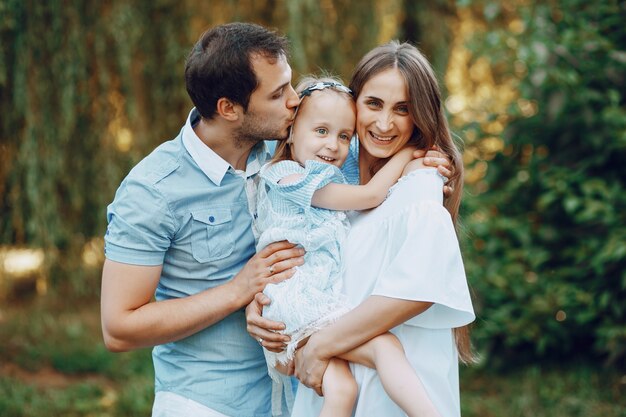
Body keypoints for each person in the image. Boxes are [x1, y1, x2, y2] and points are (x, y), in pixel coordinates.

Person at [246, 41, 475, 417]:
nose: (385, 124)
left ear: (421, 115)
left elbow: (418, 290)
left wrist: (319, 345)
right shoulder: (337, 180)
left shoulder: (420, 181)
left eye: (403, 109)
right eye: (373, 104)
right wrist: (259, 305)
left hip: (393, 395)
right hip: (338, 381)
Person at [100, 23, 307, 417]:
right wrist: (238, 289)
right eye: (278, 93)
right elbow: (119, 328)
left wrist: (422, 164)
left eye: (290, 85)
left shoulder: (289, 152)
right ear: (229, 108)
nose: (295, 101)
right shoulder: (152, 191)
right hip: (205, 402)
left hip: (296, 398)